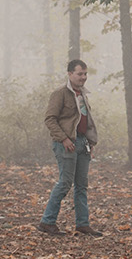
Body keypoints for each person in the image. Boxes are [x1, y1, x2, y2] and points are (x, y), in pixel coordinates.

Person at [38, 59, 101, 236]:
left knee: (82, 185)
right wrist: (64, 139)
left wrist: (90, 142)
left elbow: (85, 121)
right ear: (70, 74)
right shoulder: (60, 94)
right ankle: (47, 222)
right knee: (65, 183)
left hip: (83, 143)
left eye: (85, 74)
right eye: (80, 73)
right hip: (66, 145)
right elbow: (50, 119)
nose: (83, 77)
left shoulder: (82, 94)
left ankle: (83, 224)